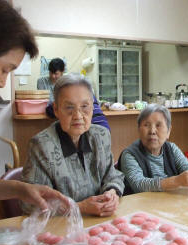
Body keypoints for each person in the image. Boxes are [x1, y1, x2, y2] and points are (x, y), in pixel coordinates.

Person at [0, 1, 73, 245]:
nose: (2, 82)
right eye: (5, 69)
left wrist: (20, 189)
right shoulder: (43, 143)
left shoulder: (99, 138)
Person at [22, 74, 124, 217]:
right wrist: (80, 207)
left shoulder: (101, 136)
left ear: (93, 108)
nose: (78, 115)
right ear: (56, 110)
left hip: (99, 222)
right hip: (61, 228)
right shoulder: (42, 145)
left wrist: (112, 193)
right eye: (69, 107)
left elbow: (112, 176)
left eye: (84, 107)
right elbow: (30, 204)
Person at [118, 104, 188, 194]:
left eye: (158, 125)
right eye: (146, 125)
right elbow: (139, 185)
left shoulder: (172, 149)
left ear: (168, 131)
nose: (152, 131)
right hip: (140, 206)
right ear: (139, 130)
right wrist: (177, 181)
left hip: (167, 203)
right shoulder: (129, 154)